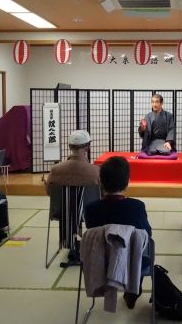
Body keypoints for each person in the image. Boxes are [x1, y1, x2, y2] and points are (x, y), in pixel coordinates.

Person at [84, 156, 152, 309]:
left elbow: (92, 232)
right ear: (127, 181)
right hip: (133, 262)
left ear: (101, 182)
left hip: (100, 262)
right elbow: (147, 234)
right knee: (140, 246)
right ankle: (133, 290)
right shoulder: (137, 206)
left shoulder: (91, 209)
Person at [45, 130, 100, 265]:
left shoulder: (56, 170)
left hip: (63, 212)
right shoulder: (95, 171)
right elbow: (102, 195)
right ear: (87, 147)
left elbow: (49, 192)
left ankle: (71, 243)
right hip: (90, 213)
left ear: (69, 146)